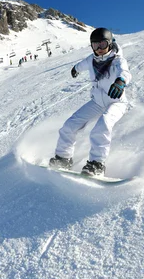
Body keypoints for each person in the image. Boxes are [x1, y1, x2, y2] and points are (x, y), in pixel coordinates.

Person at [49, 28, 132, 176]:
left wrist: (120, 81)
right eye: (95, 46)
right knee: (70, 125)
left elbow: (124, 72)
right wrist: (75, 69)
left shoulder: (117, 60)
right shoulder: (91, 60)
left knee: (103, 125)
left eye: (103, 44)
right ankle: (63, 158)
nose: (99, 49)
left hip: (116, 102)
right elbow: (82, 64)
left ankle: (97, 164)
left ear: (110, 44)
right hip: (97, 102)